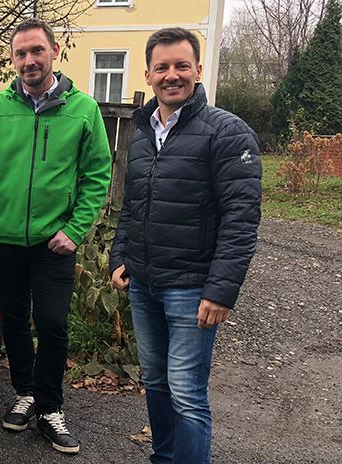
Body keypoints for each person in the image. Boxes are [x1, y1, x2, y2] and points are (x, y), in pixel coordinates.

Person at [0, 18, 111, 455]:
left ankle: (51, 409)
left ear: (54, 52)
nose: (29, 60)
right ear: (13, 60)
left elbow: (97, 176)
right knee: (15, 319)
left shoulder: (83, 110)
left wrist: (74, 231)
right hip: (4, 238)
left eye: (36, 50)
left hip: (55, 242)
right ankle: (26, 393)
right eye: (20, 54)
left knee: (53, 323)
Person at [109, 28, 262, 464]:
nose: (171, 75)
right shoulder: (142, 134)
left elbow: (241, 219)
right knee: (156, 383)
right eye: (162, 67)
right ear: (148, 73)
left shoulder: (227, 132)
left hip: (192, 290)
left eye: (181, 66)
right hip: (144, 285)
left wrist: (220, 290)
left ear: (197, 69)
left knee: (188, 393)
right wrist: (121, 257)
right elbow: (132, 204)